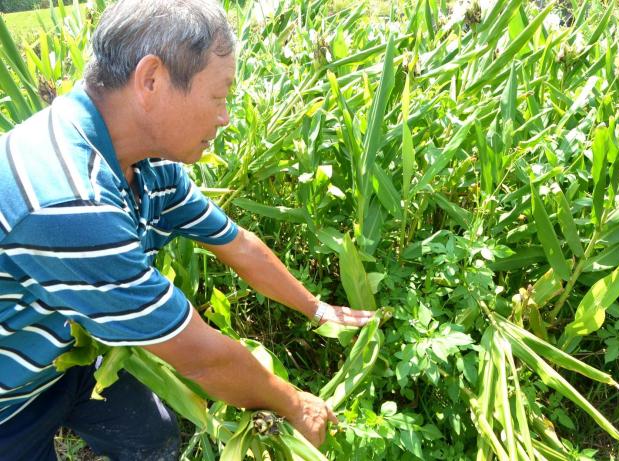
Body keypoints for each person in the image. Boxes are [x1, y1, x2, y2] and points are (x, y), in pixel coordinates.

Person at [0, 1, 374, 459]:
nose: (225, 118)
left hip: (66, 345)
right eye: (219, 97)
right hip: (9, 400)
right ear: (151, 79)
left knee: (151, 436)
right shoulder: (71, 203)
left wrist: (318, 310)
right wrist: (295, 404)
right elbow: (201, 358)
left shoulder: (143, 160)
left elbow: (237, 244)